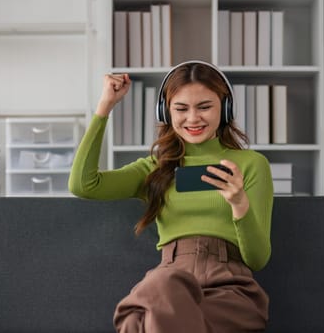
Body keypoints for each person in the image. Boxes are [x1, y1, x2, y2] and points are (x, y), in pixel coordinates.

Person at [69, 60, 274, 333]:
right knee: (159, 293)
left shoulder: (251, 164)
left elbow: (258, 259)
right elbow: (84, 184)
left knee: (140, 318)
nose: (192, 119)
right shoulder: (153, 169)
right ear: (166, 113)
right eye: (181, 109)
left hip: (228, 289)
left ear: (224, 109)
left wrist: (239, 203)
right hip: (168, 284)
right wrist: (104, 107)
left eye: (204, 107)